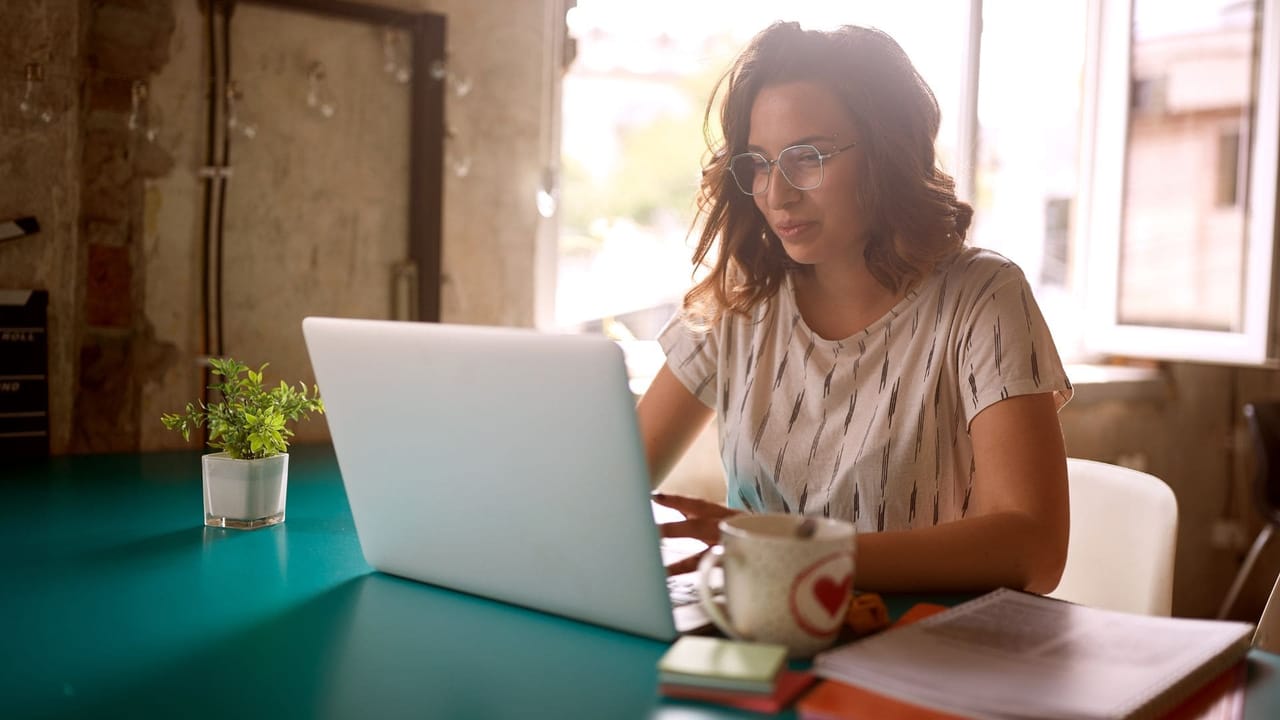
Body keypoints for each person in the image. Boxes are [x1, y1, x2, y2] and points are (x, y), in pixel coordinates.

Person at [638, 21, 1074, 594]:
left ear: (886, 153)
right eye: (760, 163)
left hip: (921, 649)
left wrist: (795, 554)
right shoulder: (744, 296)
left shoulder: (982, 296)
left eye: (808, 157)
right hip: (756, 634)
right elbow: (610, 485)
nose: (777, 194)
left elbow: (1035, 551)